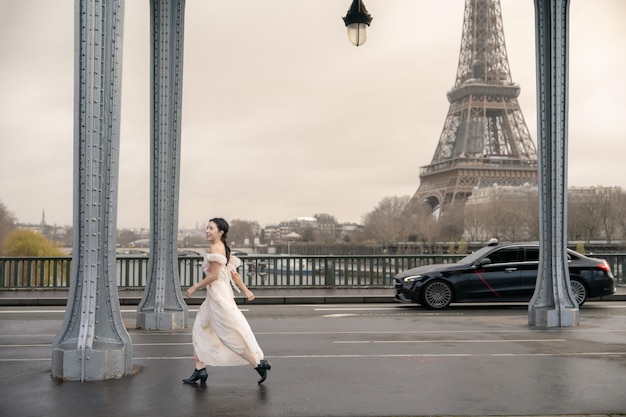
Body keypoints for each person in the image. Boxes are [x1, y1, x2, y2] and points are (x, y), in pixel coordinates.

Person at [183, 217, 271, 385]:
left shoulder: (216, 248)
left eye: (211, 228)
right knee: (200, 330)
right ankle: (200, 370)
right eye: (207, 227)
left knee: (228, 335)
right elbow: (233, 273)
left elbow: (214, 275)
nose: (207, 231)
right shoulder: (223, 247)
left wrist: (194, 287)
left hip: (217, 296)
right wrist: (246, 291)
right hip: (216, 295)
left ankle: (258, 364)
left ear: (220, 232)